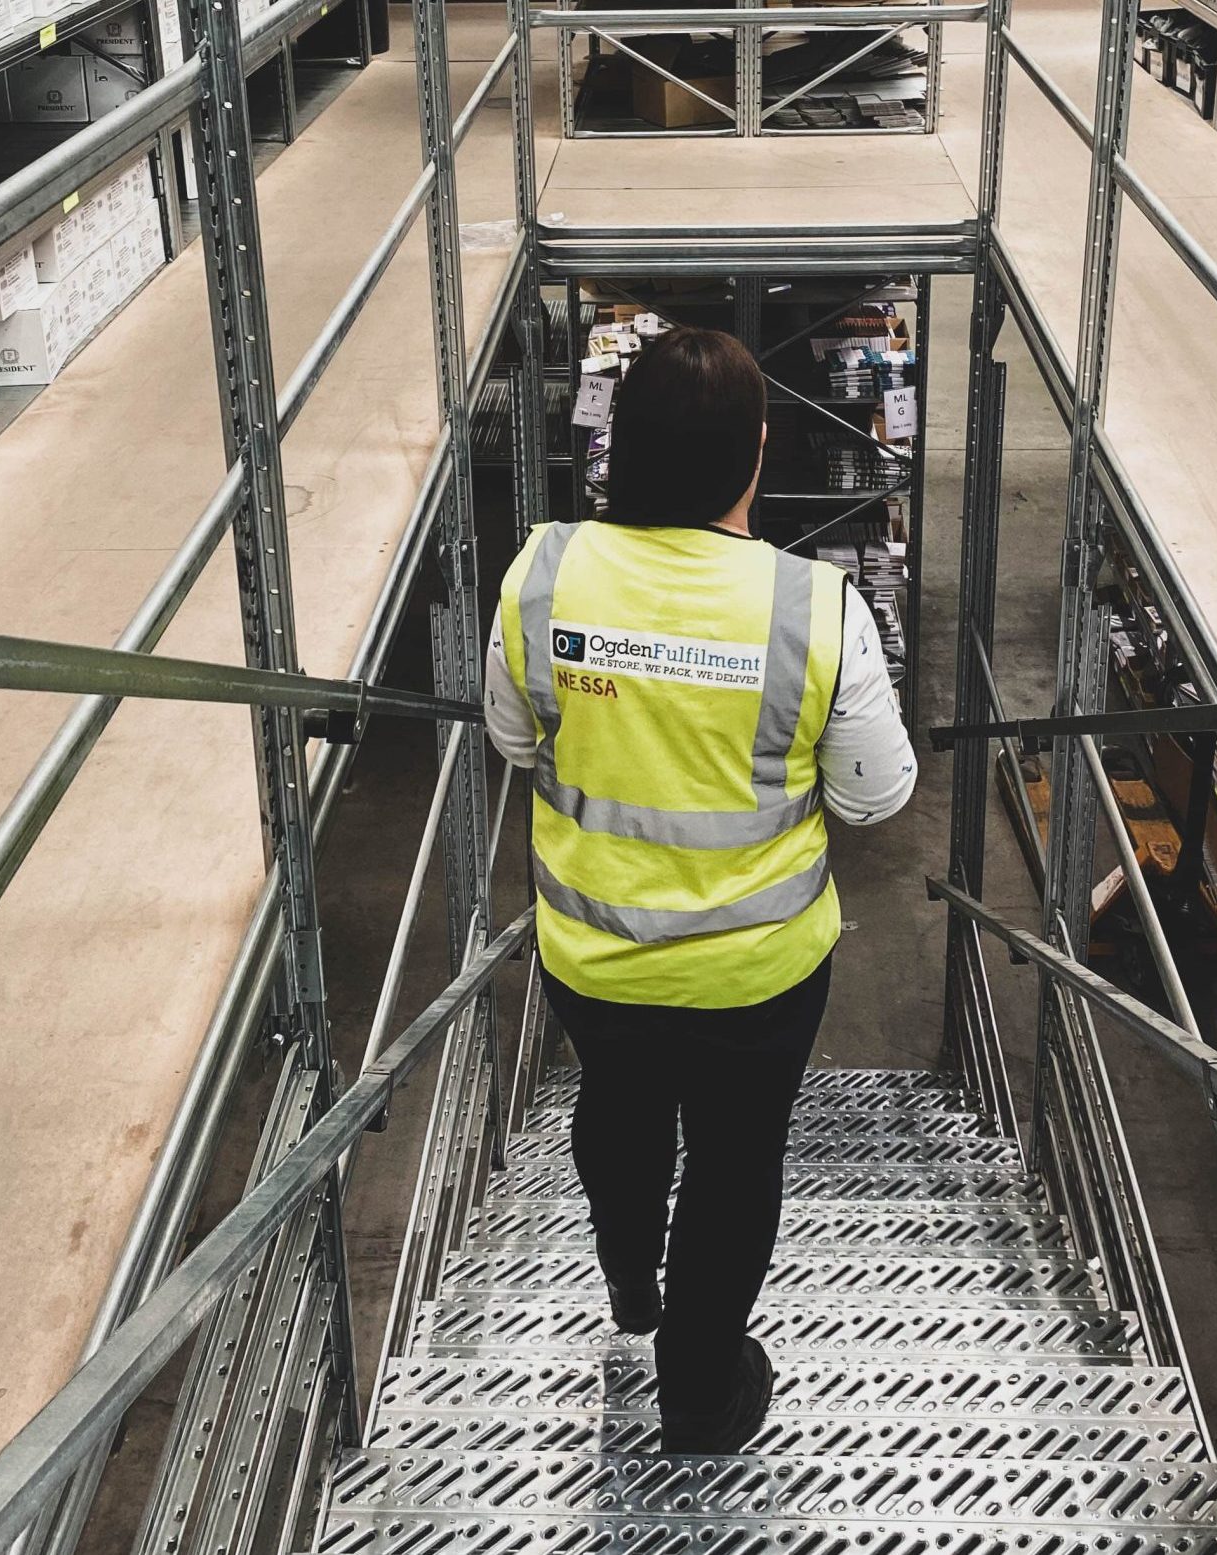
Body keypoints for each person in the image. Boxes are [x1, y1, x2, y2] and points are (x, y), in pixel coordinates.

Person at [485, 326, 916, 1453]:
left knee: (619, 1115)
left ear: (620, 448)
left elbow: (512, 740)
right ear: (756, 455)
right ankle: (699, 1397)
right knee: (734, 1170)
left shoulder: (542, 574)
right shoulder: (816, 610)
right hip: (757, 976)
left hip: (596, 957)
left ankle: (632, 1282)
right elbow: (875, 800)